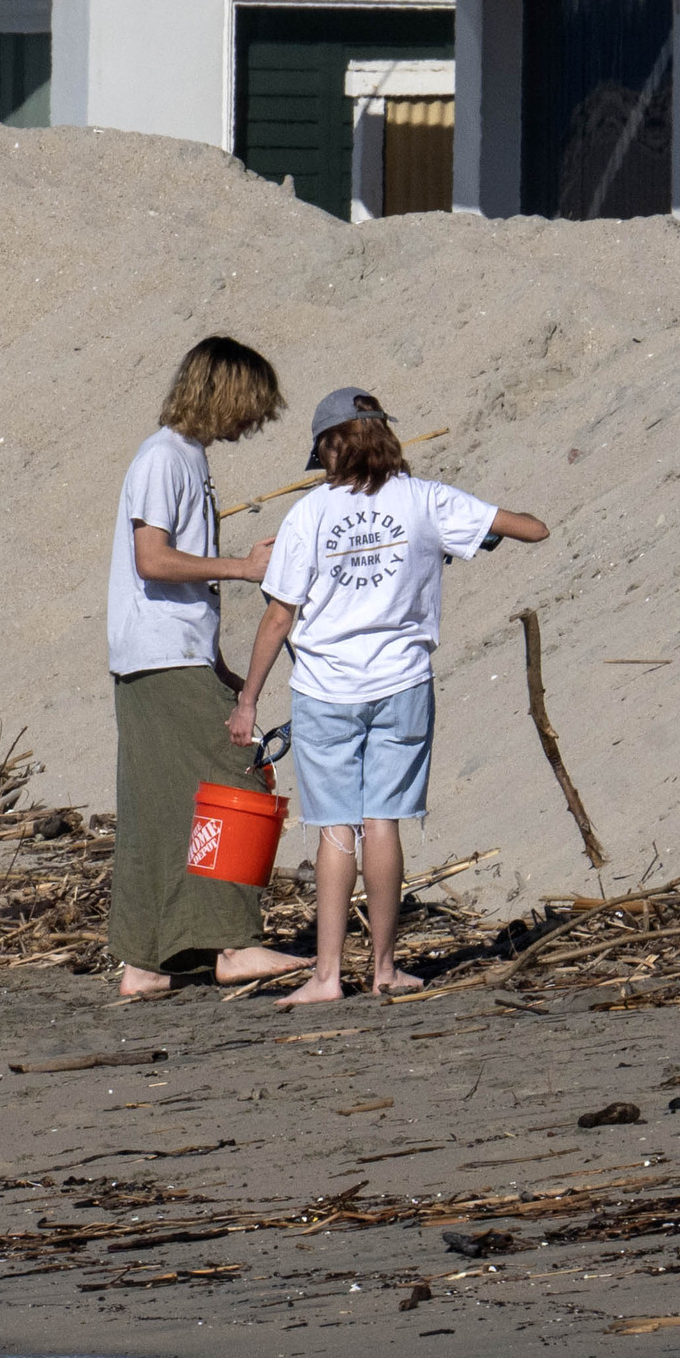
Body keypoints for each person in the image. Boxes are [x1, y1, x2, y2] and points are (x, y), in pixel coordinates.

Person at [227, 388, 548, 1006]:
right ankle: (383, 969)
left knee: (333, 828)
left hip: (325, 690)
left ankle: (325, 976)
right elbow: (533, 529)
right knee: (382, 821)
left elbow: (278, 616)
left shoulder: (310, 514)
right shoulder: (426, 499)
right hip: (402, 684)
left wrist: (247, 701)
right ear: (384, 437)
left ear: (329, 447)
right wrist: (474, 536)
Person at [102, 335, 312, 1001]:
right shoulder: (165, 457)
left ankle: (143, 963)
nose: (253, 420)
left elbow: (169, 580)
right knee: (239, 777)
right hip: (161, 656)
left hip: (165, 654)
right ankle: (234, 943)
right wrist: (245, 568)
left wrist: (217, 665)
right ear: (220, 393)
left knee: (157, 807)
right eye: (250, 404)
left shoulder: (180, 457)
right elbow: (153, 560)